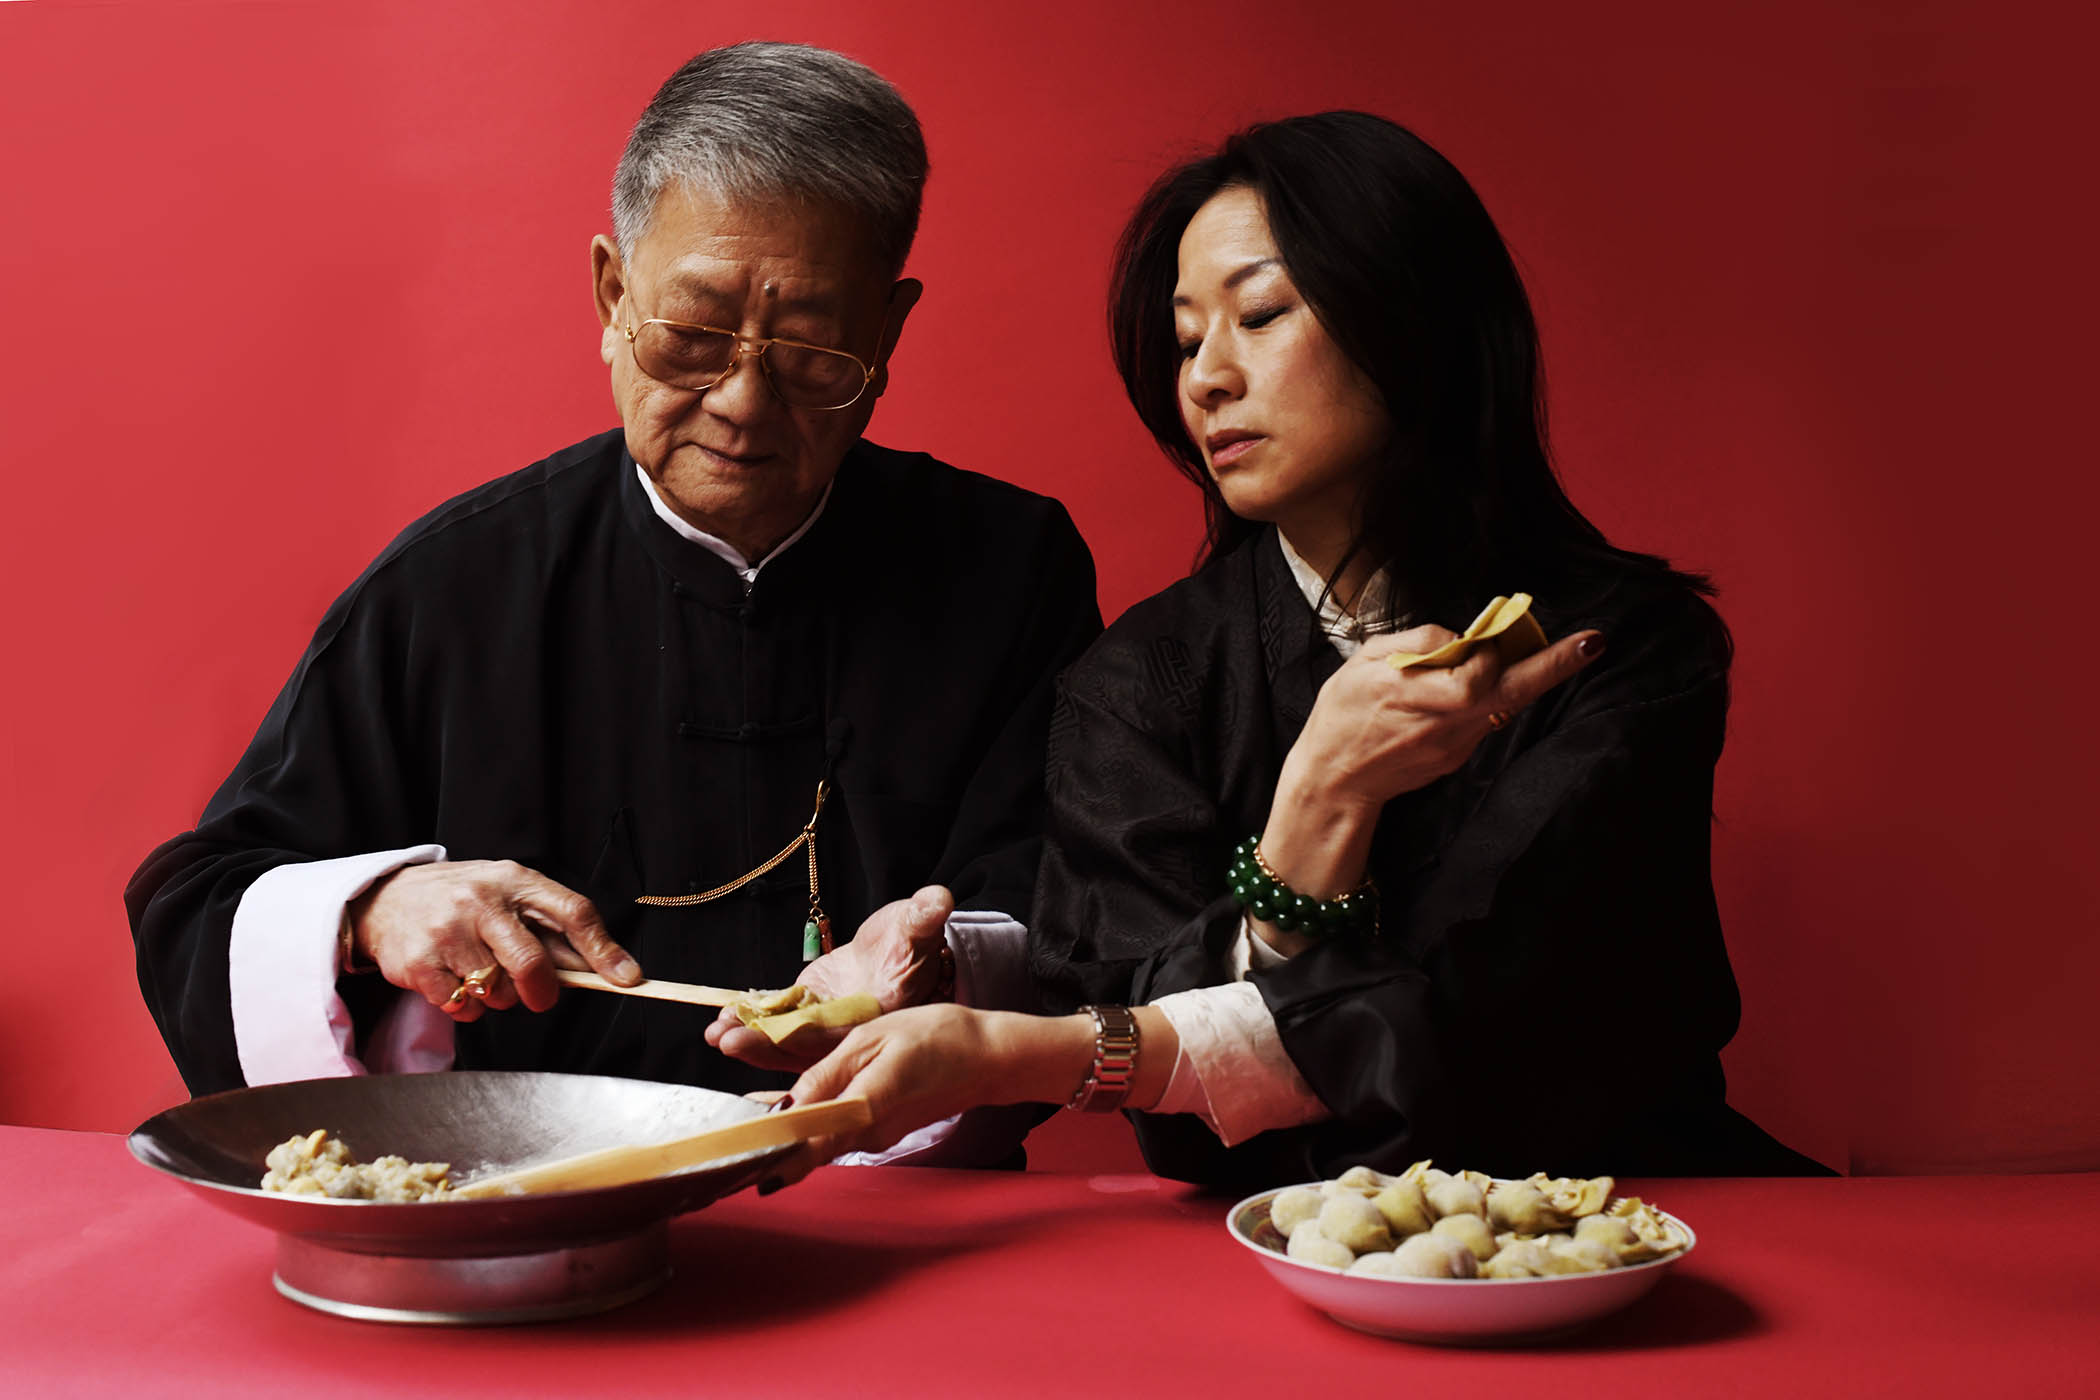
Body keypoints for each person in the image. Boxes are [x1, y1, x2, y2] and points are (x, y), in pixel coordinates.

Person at [761, 111, 1827, 1184]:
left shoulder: (1623, 646)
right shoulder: (1134, 687)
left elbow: (1497, 1059)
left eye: (1261, 313)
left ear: (1412, 318)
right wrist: (1315, 810)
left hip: (1637, 1216)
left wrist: (1054, 1047)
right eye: (1185, 340)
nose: (1206, 378)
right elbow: (1187, 1130)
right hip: (1264, 1252)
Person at [125, 42, 1100, 1118]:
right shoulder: (451, 589)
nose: (741, 399)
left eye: (813, 351)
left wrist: (948, 961)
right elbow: (196, 901)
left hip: (899, 1206)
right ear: (611, 294)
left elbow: (1075, 907)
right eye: (693, 335)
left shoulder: (1009, 568)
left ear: (889, 332)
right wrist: (374, 908)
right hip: (531, 1198)